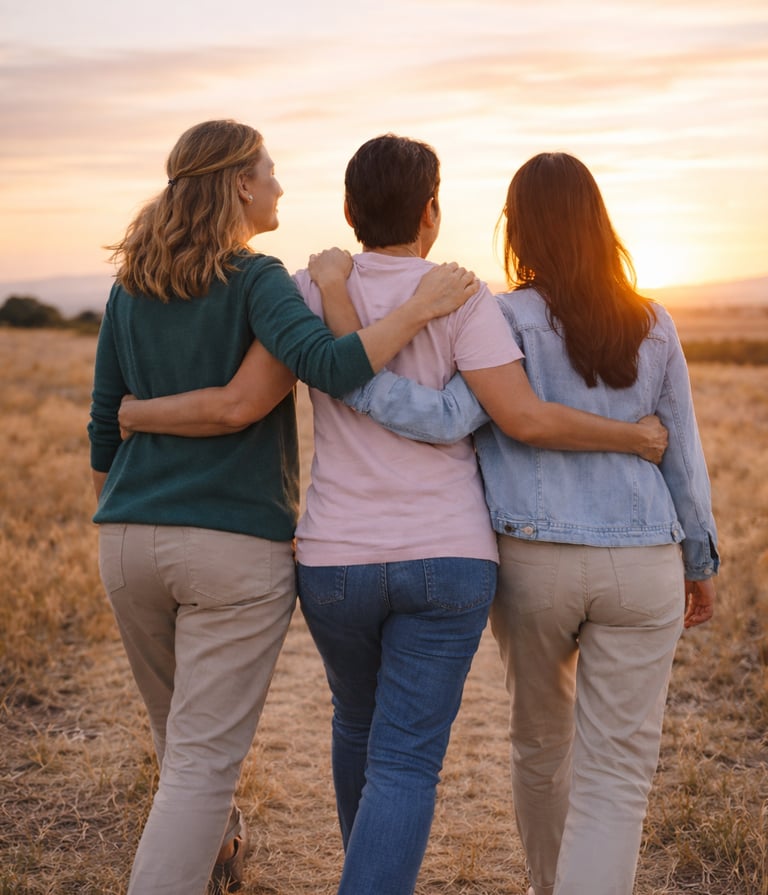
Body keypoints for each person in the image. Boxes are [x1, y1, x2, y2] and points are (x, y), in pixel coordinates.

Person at [118, 135, 670, 895]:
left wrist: (137, 411)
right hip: (448, 559)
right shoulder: (467, 299)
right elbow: (474, 415)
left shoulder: (308, 293)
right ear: (432, 212)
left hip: (335, 561)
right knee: (406, 757)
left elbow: (281, 387)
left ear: (348, 211)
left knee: (356, 720)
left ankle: (367, 867)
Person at [87, 119, 483, 895]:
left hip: (127, 541)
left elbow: (107, 420)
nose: (278, 187)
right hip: (229, 544)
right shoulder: (257, 278)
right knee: (201, 761)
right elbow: (333, 366)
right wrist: (419, 307)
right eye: (269, 173)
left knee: (181, 739)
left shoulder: (128, 285)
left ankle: (219, 854)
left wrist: (130, 493)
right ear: (239, 183)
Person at [316, 151, 719, 895]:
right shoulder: (654, 319)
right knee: (619, 772)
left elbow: (443, 419)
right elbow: (681, 451)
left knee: (540, 745)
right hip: (644, 560)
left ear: (518, 229)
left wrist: (356, 381)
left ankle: (546, 882)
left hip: (537, 562)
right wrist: (699, 558)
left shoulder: (506, 317)